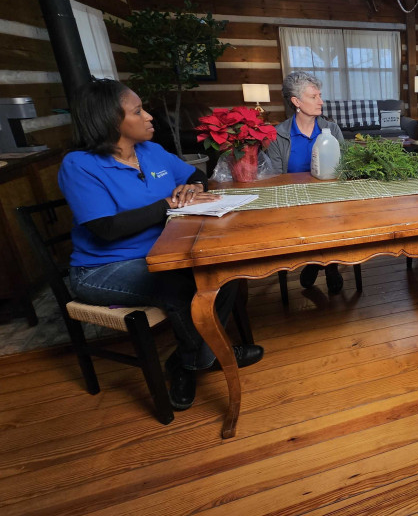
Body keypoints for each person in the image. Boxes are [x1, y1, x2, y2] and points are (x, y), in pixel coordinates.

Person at [58, 78, 264, 412]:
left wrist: (192, 190)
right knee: (179, 289)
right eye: (138, 111)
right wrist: (168, 203)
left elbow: (197, 176)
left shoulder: (151, 152)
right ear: (111, 120)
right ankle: (197, 361)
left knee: (224, 273)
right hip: (102, 268)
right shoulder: (80, 165)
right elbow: (105, 229)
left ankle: (195, 358)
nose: (149, 116)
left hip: (166, 253)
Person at [264, 71, 348, 293]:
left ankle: (327, 265)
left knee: (331, 218)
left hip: (330, 199)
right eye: (314, 97)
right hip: (294, 202)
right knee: (312, 220)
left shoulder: (333, 130)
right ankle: (318, 261)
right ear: (296, 102)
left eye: (320, 95)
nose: (320, 101)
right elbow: (275, 177)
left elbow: (345, 167)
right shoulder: (278, 135)